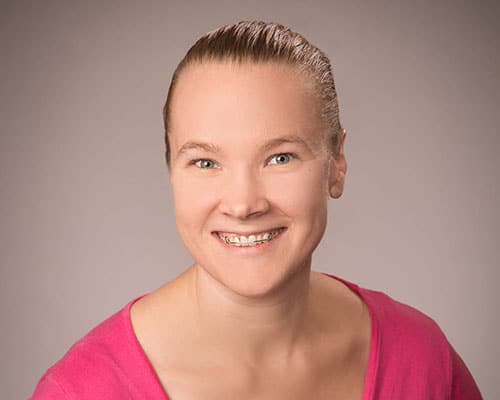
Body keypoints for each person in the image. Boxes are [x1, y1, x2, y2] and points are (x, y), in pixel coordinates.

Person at [30, 20, 482, 399]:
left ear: (336, 165)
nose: (244, 203)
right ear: (170, 169)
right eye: (205, 162)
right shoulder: (83, 390)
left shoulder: (424, 363)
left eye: (280, 157)